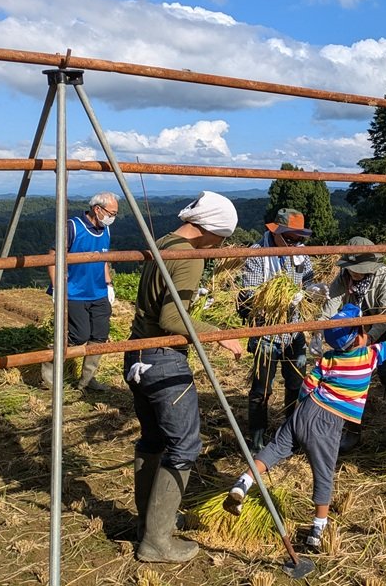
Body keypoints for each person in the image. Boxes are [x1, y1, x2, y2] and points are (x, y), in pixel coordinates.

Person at [223, 303, 386, 550]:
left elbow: (308, 384)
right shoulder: (371, 355)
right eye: (364, 329)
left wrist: (301, 408)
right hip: (328, 422)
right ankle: (317, 529)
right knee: (324, 472)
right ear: (359, 337)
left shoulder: (329, 358)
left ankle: (244, 482)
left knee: (276, 448)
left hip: (306, 409)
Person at [124, 190, 245, 564]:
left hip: (137, 353)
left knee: (153, 439)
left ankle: (147, 523)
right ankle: (157, 541)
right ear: (210, 229)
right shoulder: (189, 256)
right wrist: (219, 334)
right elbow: (173, 319)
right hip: (163, 359)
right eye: (220, 238)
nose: (219, 247)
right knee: (185, 446)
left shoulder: (165, 241)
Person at [238, 208, 316, 452]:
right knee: (262, 388)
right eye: (290, 238)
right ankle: (257, 439)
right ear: (276, 233)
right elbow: (250, 296)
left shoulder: (301, 254)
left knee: (296, 383)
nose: (295, 243)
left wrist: (312, 293)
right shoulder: (257, 254)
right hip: (266, 331)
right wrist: (281, 299)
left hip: (294, 330)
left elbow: (309, 283)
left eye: (298, 238)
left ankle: (290, 433)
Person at [319, 236, 386, 451]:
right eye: (353, 268)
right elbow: (330, 307)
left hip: (381, 329)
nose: (356, 272)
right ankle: (353, 432)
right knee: (350, 378)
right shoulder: (343, 277)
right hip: (353, 332)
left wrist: (369, 338)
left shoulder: (385, 275)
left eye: (361, 268)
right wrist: (319, 331)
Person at [42, 191, 119, 391]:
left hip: (98, 292)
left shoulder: (106, 230)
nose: (113, 217)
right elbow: (52, 257)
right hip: (74, 292)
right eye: (111, 213)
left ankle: (87, 381)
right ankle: (49, 377)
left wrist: (109, 284)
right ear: (97, 209)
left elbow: (103, 259)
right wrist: (57, 288)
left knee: (100, 336)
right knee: (77, 336)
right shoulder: (72, 227)